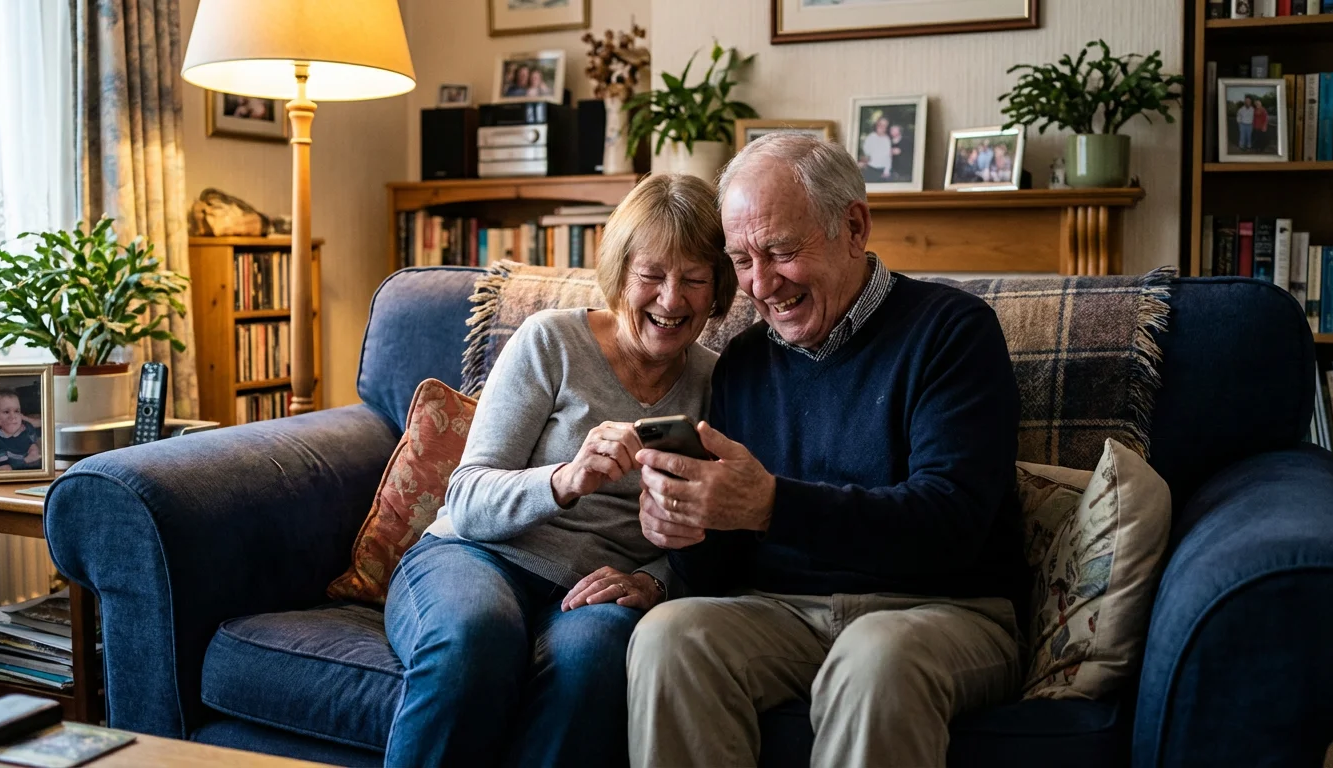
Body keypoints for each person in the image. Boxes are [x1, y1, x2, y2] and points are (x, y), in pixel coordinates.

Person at [627, 134, 1025, 768]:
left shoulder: (952, 332)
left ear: (854, 226)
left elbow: (951, 524)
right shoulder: (744, 362)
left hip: (941, 611)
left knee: (876, 656)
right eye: (742, 260)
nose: (761, 285)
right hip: (782, 613)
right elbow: (721, 571)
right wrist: (686, 528)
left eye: (781, 252)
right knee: (670, 637)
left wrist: (770, 506)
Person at [382, 173, 737, 768]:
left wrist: (654, 581)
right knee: (475, 639)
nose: (671, 300)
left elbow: (720, 525)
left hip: (596, 588)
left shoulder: (719, 383)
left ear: (716, 289)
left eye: (694, 280)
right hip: (476, 555)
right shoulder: (551, 341)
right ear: (620, 270)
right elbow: (466, 497)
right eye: (651, 275)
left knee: (595, 663)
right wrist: (563, 479)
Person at [0, 389, 41, 471]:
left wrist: (33, 450)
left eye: (16, 411)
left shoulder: (25, 428)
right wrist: (25, 461)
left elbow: (33, 447)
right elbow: (3, 469)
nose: (13, 416)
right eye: (6, 412)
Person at [858, 116, 893, 182]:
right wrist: (863, 162)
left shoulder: (887, 140)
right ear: (877, 125)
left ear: (887, 128)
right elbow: (866, 154)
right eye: (880, 124)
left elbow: (888, 157)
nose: (881, 127)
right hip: (870, 168)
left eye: (884, 125)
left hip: (882, 171)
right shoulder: (870, 137)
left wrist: (886, 171)